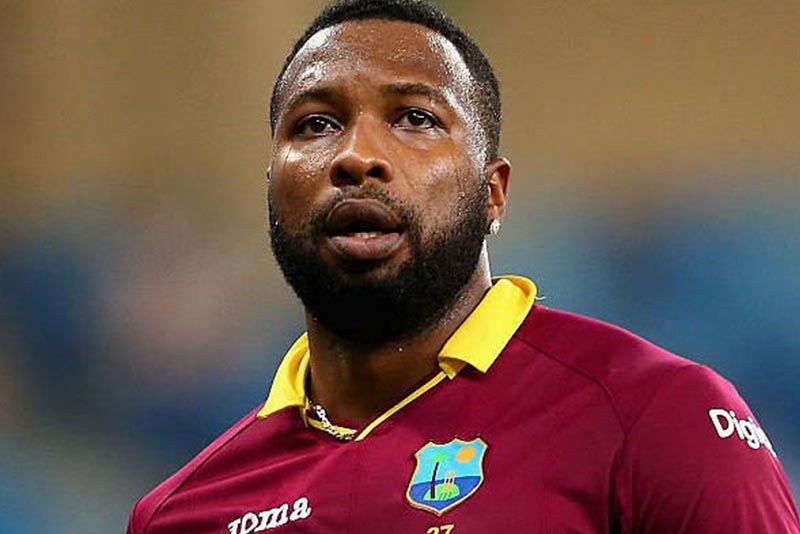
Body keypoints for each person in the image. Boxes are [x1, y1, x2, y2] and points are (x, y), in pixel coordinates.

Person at [128, 1, 800, 532]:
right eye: (316, 125)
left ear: (493, 194)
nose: (357, 156)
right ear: (272, 187)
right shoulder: (183, 513)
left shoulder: (656, 417)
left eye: (415, 118)